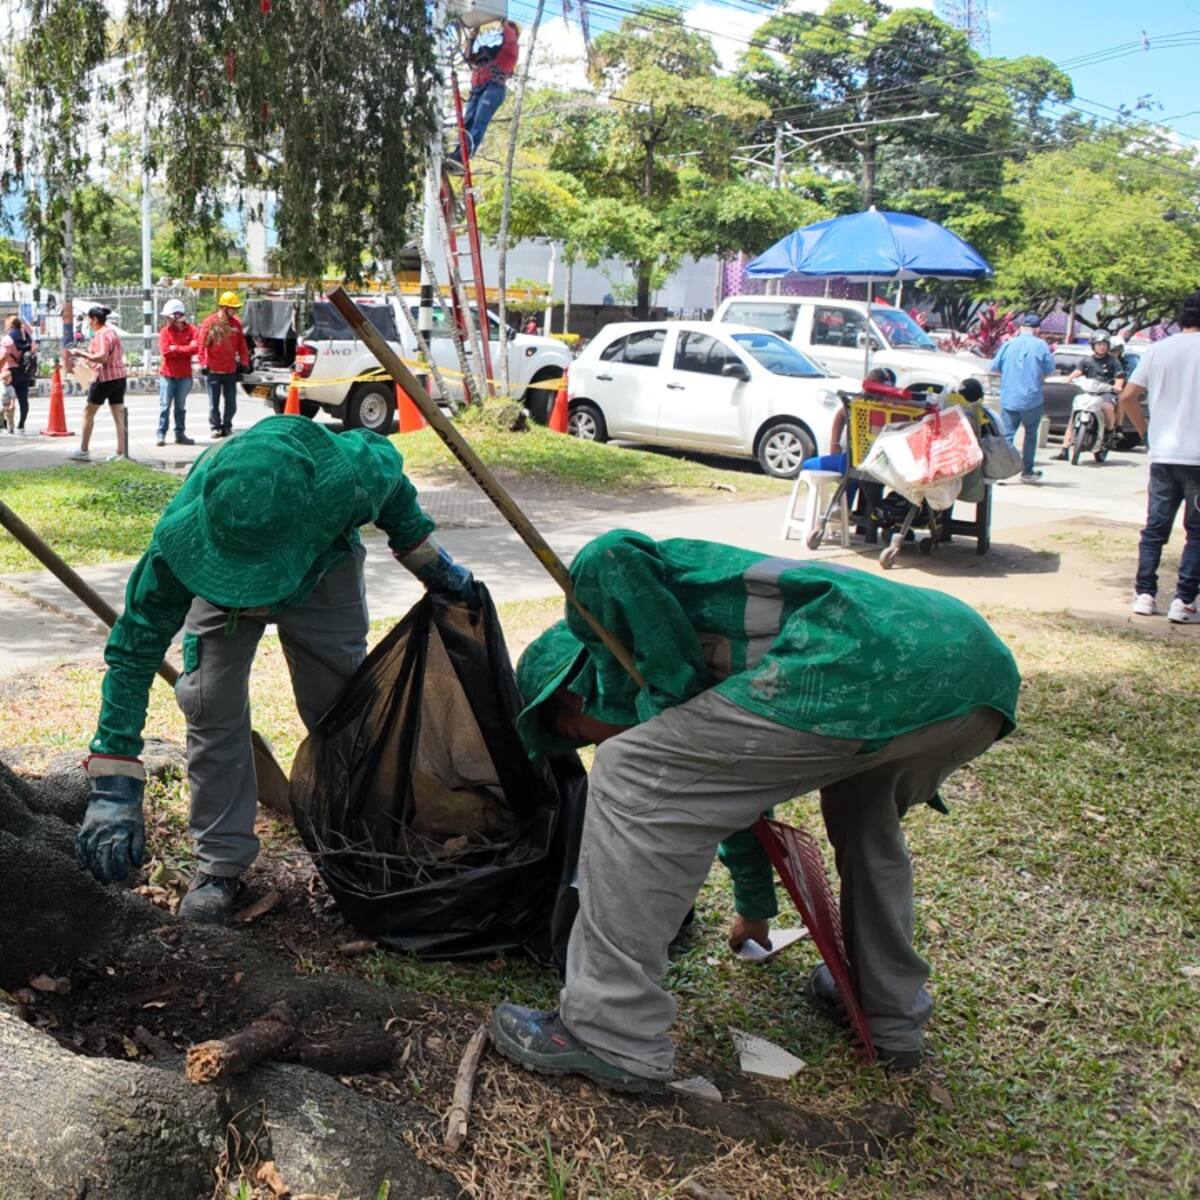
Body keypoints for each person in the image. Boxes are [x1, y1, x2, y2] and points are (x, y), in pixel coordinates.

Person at [490, 530, 1020, 1091]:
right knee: (866, 816)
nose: (589, 742)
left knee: (629, 769)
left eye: (576, 733)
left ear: (574, 695)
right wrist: (755, 905)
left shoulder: (616, 634)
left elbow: (610, 552)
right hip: (968, 671)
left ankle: (609, 1031)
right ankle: (889, 1011)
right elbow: (728, 786)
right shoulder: (696, 650)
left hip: (859, 659)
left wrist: (666, 697)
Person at [73, 417, 480, 924]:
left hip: (321, 567)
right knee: (208, 699)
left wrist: (433, 565)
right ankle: (220, 865)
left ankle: (359, 845)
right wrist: (114, 780)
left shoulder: (353, 474)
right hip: (216, 576)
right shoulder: (181, 544)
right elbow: (133, 652)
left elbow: (396, 495)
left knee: (341, 702)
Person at [1118, 291, 1200, 624]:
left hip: (1164, 454)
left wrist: (1145, 430)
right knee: (1196, 533)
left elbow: (1128, 396)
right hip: (1198, 460)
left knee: (1154, 528)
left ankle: (1145, 594)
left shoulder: (1158, 350)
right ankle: (1183, 600)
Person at [989, 314, 1056, 483]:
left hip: (1010, 396)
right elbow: (1049, 369)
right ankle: (1027, 472)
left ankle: (1003, 472)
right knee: (1031, 434)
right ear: (1037, 329)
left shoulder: (1009, 344)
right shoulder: (1041, 345)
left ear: (1020, 328)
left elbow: (995, 368)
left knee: (1007, 435)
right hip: (1032, 398)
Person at [446, 19, 520, 170]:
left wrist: (503, 20)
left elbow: (510, 39)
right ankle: (458, 155)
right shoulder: (489, 53)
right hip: (478, 89)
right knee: (467, 123)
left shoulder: (510, 51)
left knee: (478, 123)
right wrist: (472, 37)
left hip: (493, 89)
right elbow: (468, 57)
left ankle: (462, 158)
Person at [68, 305, 129, 463]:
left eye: (90, 319)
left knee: (88, 413)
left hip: (104, 377)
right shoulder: (112, 332)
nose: (89, 322)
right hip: (119, 377)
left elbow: (102, 357)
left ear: (95, 319)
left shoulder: (101, 334)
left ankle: (83, 450)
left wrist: (80, 353)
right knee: (119, 414)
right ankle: (121, 451)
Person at [1054, 330, 1127, 460]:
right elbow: (1078, 371)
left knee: (1107, 407)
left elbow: (1119, 377)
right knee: (1074, 415)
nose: (1102, 346)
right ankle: (1064, 449)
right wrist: (1069, 378)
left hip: (1105, 392)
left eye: (1104, 344)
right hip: (1089, 392)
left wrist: (1117, 386)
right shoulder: (1087, 360)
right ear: (1093, 345)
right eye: (1099, 344)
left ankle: (1110, 431)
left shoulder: (1113, 361)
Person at [198, 291, 250, 439]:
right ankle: (215, 426)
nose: (235, 311)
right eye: (233, 308)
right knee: (213, 404)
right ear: (224, 307)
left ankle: (227, 426)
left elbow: (242, 346)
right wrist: (203, 363)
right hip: (213, 371)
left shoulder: (236, 324)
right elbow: (202, 345)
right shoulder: (210, 322)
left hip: (230, 371)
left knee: (231, 403)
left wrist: (245, 362)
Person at [156, 299, 198, 447]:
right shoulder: (165, 332)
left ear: (177, 316)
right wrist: (184, 349)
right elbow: (166, 352)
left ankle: (180, 435)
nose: (166, 320)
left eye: (168, 317)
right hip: (168, 374)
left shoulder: (192, 330)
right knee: (165, 406)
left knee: (180, 407)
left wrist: (176, 348)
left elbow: (195, 349)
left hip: (184, 375)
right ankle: (161, 434)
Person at [1, 315, 36, 435]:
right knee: (23, 400)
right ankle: (21, 424)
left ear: (10, 326)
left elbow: (3, 356)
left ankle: (6, 425)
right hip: (24, 372)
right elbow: (33, 350)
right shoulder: (27, 337)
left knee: (7, 400)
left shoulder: (7, 339)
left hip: (9, 372)